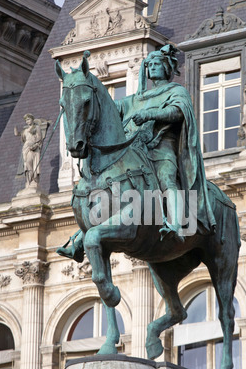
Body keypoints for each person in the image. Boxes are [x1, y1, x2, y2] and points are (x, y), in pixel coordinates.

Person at [57, 45, 216, 261]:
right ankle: (79, 239)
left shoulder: (175, 91)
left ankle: (177, 223)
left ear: (167, 67)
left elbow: (179, 111)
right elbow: (107, 109)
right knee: (105, 187)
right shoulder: (134, 99)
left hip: (161, 148)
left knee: (166, 176)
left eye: (157, 63)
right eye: (148, 64)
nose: (152, 68)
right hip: (134, 151)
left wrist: (150, 113)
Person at [15, 114, 43, 187]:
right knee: (26, 164)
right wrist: (15, 129)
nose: (27, 121)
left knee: (32, 163)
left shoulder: (36, 128)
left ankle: (34, 179)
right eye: (26, 120)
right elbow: (18, 134)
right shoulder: (25, 130)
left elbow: (39, 139)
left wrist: (35, 146)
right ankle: (29, 181)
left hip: (33, 148)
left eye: (28, 119)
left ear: (32, 119)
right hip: (26, 148)